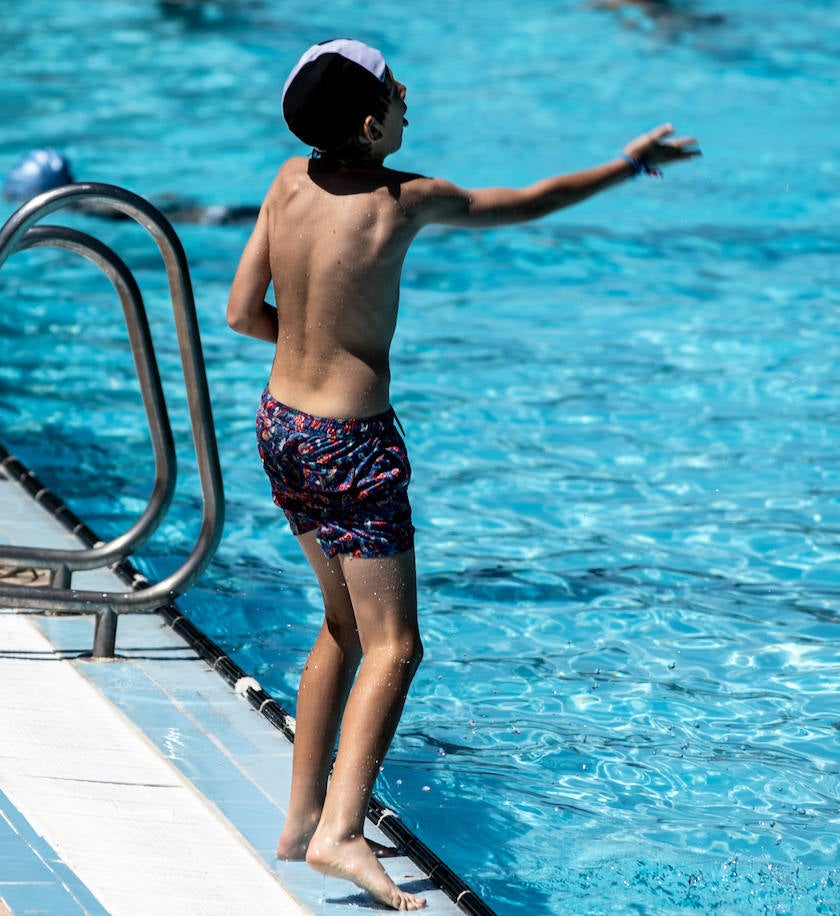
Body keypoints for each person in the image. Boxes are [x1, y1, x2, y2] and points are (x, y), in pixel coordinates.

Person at [226, 38, 699, 910]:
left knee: (340, 626)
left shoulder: (287, 181)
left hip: (280, 427)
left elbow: (242, 310)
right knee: (396, 647)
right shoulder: (403, 202)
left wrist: (315, 351)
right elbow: (525, 203)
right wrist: (629, 165)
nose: (411, 96)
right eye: (397, 90)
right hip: (351, 446)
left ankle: (298, 820)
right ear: (373, 126)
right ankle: (338, 832)